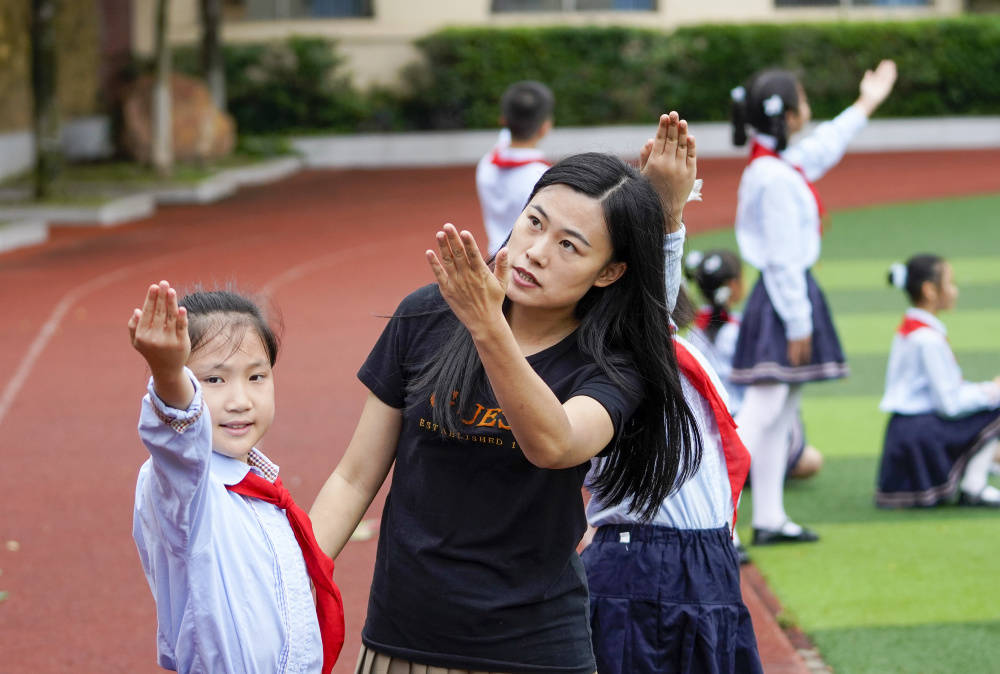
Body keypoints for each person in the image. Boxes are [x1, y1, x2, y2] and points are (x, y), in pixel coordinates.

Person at [310, 113, 703, 674]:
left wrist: (487, 326)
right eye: (534, 222)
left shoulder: (614, 362)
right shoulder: (426, 312)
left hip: (531, 651)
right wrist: (301, 576)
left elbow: (555, 441)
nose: (537, 251)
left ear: (609, 273)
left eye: (570, 246)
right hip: (403, 637)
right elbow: (354, 477)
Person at [581, 122, 763, 674]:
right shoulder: (619, 348)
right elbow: (648, 306)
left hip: (700, 563)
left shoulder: (680, 350)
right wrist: (664, 215)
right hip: (651, 567)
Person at [130, 282, 345, 674]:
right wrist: (167, 374)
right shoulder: (183, 486)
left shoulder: (263, 492)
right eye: (215, 380)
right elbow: (177, 437)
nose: (240, 400)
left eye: (257, 377)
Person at [729, 60, 897, 545]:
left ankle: (769, 519)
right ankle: (722, 523)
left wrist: (866, 103)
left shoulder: (776, 165)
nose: (809, 106)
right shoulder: (774, 175)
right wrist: (799, 321)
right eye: (803, 97)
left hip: (788, 294)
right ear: (791, 113)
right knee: (762, 410)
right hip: (786, 298)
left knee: (780, 408)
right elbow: (781, 259)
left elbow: (825, 148)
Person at [684, 249, 823, 482]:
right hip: (741, 430)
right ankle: (748, 471)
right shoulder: (741, 331)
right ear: (734, 286)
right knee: (811, 460)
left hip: (705, 434)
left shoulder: (691, 333)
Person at [876, 255, 1000, 508]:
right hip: (921, 433)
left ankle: (979, 473)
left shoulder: (911, 330)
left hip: (904, 431)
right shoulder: (927, 339)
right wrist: (992, 391)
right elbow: (949, 404)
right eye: (950, 283)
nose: (955, 290)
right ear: (930, 290)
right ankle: (974, 486)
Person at [476, 80, 554, 254]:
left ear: (503, 120)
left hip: (495, 256)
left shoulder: (487, 163)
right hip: (524, 262)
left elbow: (504, 139)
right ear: (544, 127)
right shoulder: (543, 178)